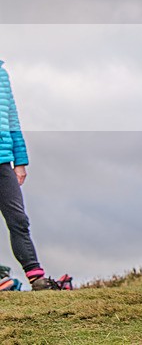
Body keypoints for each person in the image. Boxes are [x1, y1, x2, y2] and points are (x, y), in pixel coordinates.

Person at [0, 59, 65, 290]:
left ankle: (36, 278)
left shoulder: (2, 74)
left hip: (2, 162)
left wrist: (20, 161)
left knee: (18, 220)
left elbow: (12, 119)